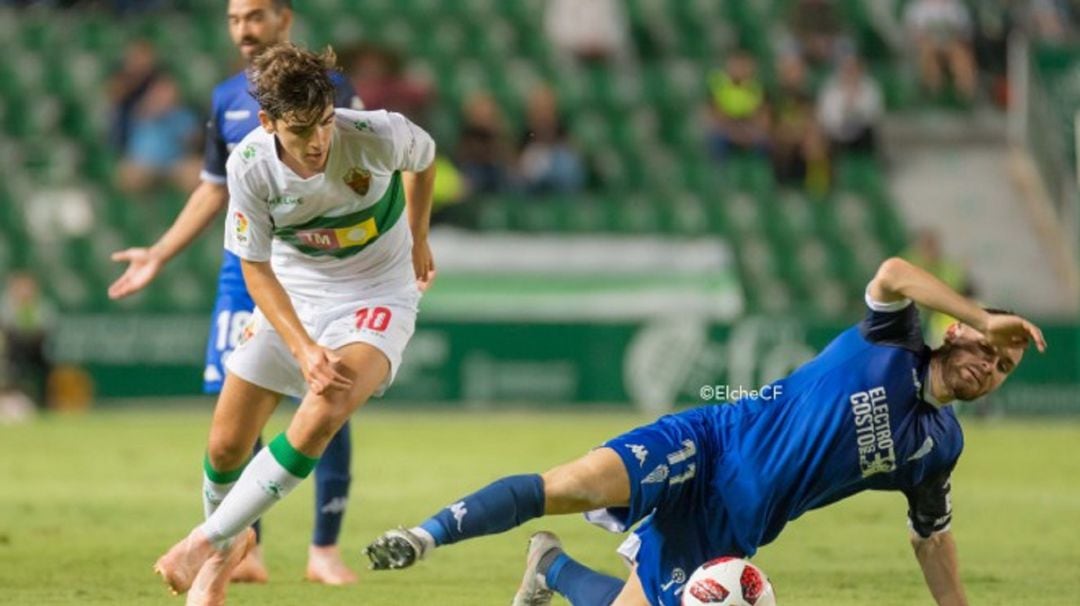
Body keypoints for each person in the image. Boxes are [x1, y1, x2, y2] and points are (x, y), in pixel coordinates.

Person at [365, 256, 1046, 606]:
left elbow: (931, 536)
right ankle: (422, 536)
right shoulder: (894, 338)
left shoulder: (939, 446)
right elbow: (895, 273)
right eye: (990, 345)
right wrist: (986, 317)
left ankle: (553, 565)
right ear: (957, 329)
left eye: (1005, 365)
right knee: (566, 485)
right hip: (710, 443)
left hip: (735, 526)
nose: (992, 363)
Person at [153, 42, 436, 606]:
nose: (318, 142)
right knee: (226, 445)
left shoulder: (376, 133)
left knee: (323, 408)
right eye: (301, 129)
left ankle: (205, 544)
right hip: (296, 296)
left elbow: (425, 159)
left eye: (325, 123)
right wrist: (304, 347)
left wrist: (420, 236)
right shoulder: (249, 167)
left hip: (377, 293)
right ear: (268, 122)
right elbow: (254, 269)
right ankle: (226, 553)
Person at [108, 0, 363, 585]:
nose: (244, 30)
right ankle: (246, 548)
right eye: (234, 19)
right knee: (233, 415)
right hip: (243, 270)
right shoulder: (226, 98)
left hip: (314, 269)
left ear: (285, 18)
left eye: (255, 16)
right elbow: (211, 188)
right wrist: (159, 252)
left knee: (325, 395)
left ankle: (323, 549)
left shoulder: (333, 90)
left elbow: (368, 173)